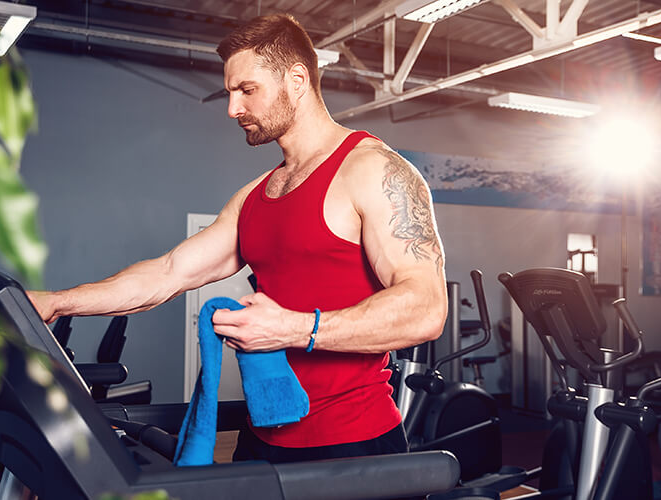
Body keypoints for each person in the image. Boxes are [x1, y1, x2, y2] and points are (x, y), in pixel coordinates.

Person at [28, 13, 447, 464]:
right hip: (264, 439)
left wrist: (293, 328)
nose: (233, 108)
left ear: (298, 80)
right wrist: (57, 302)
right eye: (231, 92)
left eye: (247, 90)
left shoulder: (373, 171)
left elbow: (426, 308)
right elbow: (167, 273)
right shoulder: (256, 195)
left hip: (355, 446)